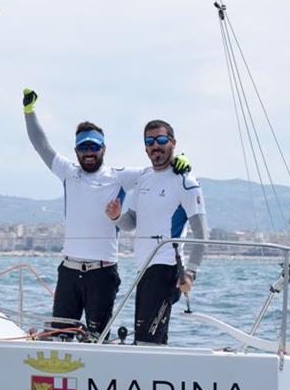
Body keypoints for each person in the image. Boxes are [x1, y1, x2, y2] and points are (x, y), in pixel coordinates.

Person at [22, 89, 189, 339]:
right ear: (76, 150)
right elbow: (41, 145)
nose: (89, 152)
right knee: (60, 336)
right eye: (83, 147)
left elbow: (158, 167)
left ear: (104, 148)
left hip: (103, 274)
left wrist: (181, 161)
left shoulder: (119, 176)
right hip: (68, 271)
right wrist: (29, 112)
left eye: (94, 146)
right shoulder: (68, 172)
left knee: (97, 338)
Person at [105, 119, 208, 345]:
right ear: (145, 147)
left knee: (147, 341)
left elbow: (201, 234)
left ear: (172, 142)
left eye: (161, 140)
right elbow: (131, 222)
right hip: (144, 270)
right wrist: (116, 217)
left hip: (166, 269)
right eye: (150, 141)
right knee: (148, 341)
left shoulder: (186, 182)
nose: (156, 146)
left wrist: (190, 273)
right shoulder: (143, 178)